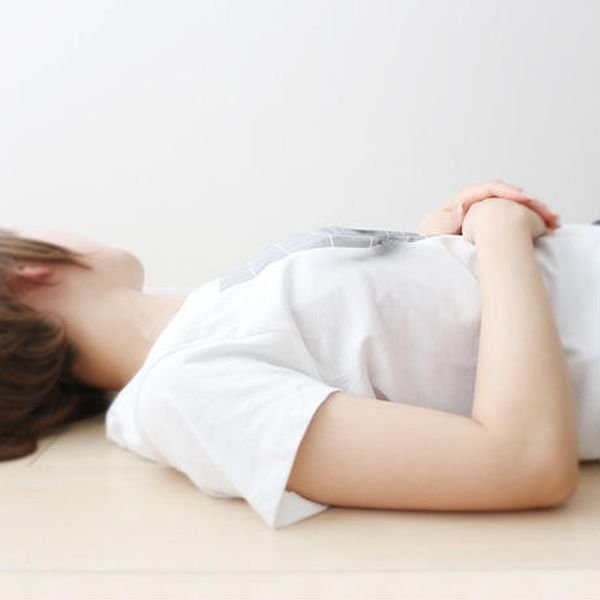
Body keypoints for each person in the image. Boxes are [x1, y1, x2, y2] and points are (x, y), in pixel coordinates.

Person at [0, 180, 598, 529]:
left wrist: (437, 241)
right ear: (25, 273)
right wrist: (499, 232)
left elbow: (391, 343)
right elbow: (521, 461)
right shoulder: (181, 389)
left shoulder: (205, 320)